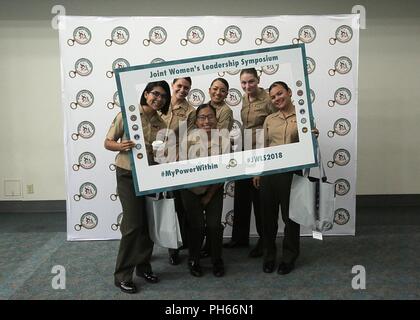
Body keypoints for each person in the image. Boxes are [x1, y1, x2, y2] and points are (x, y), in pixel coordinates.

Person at [104, 81, 170, 294]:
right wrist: (121, 145)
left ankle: (143, 267)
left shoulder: (161, 122)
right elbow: (108, 142)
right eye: (155, 94)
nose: (158, 99)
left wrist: (162, 154)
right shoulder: (128, 114)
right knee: (132, 225)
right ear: (146, 94)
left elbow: (159, 153)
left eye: (163, 96)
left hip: (149, 176)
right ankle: (122, 275)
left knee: (148, 223)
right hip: (127, 174)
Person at [253, 81, 318, 275]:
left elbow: (310, 145)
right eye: (272, 97)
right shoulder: (270, 119)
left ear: (289, 93)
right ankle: (269, 256)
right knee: (267, 218)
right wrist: (257, 171)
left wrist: (314, 136)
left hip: (292, 174)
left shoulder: (303, 117)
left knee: (291, 218)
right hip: (270, 174)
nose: (276, 99)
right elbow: (262, 146)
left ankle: (289, 258)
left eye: (280, 94)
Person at [224, 68, 275, 258]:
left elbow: (279, 122)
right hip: (245, 153)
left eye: (251, 82)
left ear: (258, 79)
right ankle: (239, 238)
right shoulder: (245, 98)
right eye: (244, 83)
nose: (247, 86)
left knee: (260, 200)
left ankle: (264, 241)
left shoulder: (269, 99)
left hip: (261, 154)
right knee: (242, 196)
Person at [180, 103, 230, 277]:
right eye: (202, 117)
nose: (206, 120)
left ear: (216, 119)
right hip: (190, 190)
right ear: (197, 120)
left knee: (214, 225)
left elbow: (224, 170)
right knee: (197, 226)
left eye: (210, 116)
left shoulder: (224, 140)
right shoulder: (187, 140)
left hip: (213, 189)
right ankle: (193, 259)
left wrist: (209, 195)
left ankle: (217, 259)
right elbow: (182, 170)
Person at [160, 77, 196, 266]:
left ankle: (177, 247)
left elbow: (188, 139)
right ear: (173, 86)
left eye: (186, 88)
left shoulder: (190, 111)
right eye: (179, 86)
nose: (182, 90)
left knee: (177, 207)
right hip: (153, 163)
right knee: (157, 206)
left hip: (176, 164)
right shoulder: (160, 102)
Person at [201, 78, 233, 258]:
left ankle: (214, 251)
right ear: (209, 90)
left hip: (217, 157)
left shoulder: (226, 111)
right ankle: (204, 246)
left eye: (222, 90)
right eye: (215, 89)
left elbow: (217, 134)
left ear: (227, 94)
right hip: (201, 158)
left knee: (213, 208)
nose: (218, 93)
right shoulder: (204, 107)